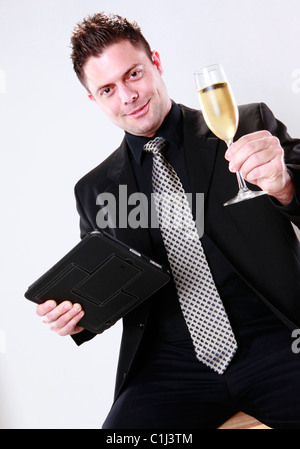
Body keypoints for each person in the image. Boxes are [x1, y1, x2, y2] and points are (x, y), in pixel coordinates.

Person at [36, 12, 300, 429]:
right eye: (107, 88)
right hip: (170, 367)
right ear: (95, 100)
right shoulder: (94, 190)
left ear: (155, 62)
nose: (127, 96)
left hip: (278, 341)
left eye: (134, 74)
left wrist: (283, 183)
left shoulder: (248, 125)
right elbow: (105, 286)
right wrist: (77, 315)